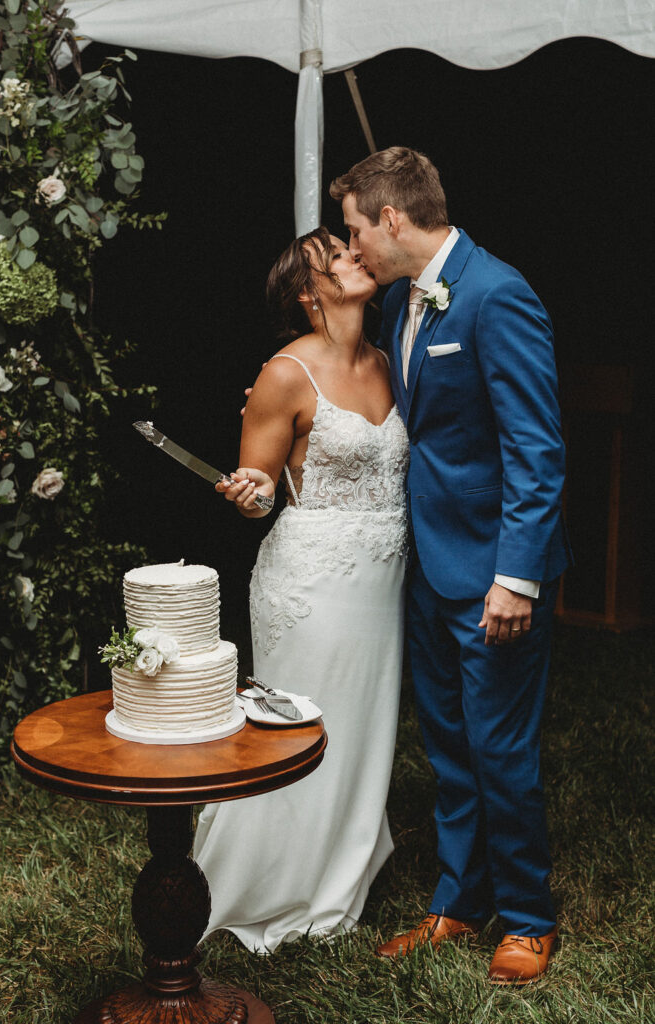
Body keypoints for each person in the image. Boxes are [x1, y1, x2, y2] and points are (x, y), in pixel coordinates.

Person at [330, 147, 570, 984]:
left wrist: (517, 577)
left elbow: (535, 450)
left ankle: (529, 916)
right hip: (425, 571)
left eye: (355, 228)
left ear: (391, 218)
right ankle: (459, 901)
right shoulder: (399, 297)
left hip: (489, 576)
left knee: (500, 748)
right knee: (448, 748)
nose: (350, 244)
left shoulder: (496, 294)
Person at [193, 227, 409, 952]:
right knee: (299, 729)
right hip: (311, 583)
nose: (355, 255)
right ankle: (264, 877)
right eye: (336, 256)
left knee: (361, 726)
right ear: (307, 293)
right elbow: (259, 494)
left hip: (382, 580)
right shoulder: (285, 373)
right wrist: (250, 488)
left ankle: (339, 869)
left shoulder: (388, 360)